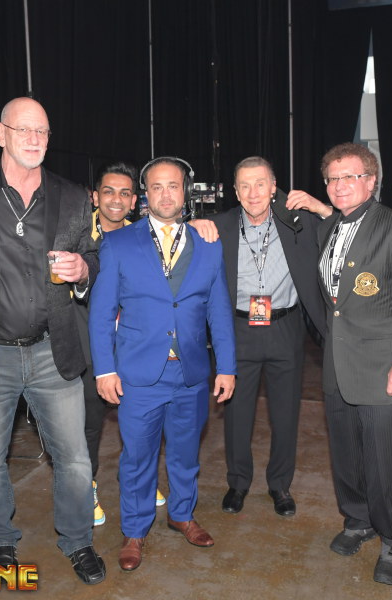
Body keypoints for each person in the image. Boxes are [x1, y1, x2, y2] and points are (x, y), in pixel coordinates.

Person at [0, 97, 106, 585]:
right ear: (0, 134)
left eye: (42, 131)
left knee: (75, 459)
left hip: (54, 351)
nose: (33, 139)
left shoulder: (73, 197)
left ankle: (78, 541)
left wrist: (83, 269)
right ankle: (1, 542)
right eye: (23, 129)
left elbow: (93, 255)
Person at [89, 157, 236, 572]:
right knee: (137, 457)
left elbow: (219, 310)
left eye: (173, 186)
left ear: (184, 192)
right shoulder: (119, 244)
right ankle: (135, 530)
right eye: (157, 187)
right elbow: (102, 312)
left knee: (186, 453)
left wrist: (227, 366)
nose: (166, 194)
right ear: (145, 195)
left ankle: (182, 514)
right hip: (138, 375)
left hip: (190, 373)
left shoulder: (208, 243)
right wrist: (104, 369)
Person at [310, 142, 392, 586]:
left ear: (371, 180)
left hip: (384, 367)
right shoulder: (328, 228)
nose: (340, 185)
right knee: (345, 454)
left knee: (383, 461)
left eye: (350, 176)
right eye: (333, 178)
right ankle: (357, 519)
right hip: (337, 363)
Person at [211, 156, 332, 517]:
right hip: (237, 329)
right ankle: (238, 482)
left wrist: (321, 207)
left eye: (260, 184)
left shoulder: (299, 221)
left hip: (285, 327)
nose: (253, 193)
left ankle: (280, 484)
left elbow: (344, 228)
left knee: (285, 412)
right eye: (245, 186)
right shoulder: (218, 226)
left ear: (274, 187)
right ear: (235, 191)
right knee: (236, 412)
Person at [76, 161, 166, 527]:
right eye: (108, 191)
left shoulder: (145, 237)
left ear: (134, 201)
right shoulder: (74, 233)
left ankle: (140, 479)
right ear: (95, 197)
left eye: (125, 193)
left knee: (140, 420)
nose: (116, 199)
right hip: (87, 346)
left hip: (133, 347)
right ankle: (86, 488)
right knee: (89, 424)